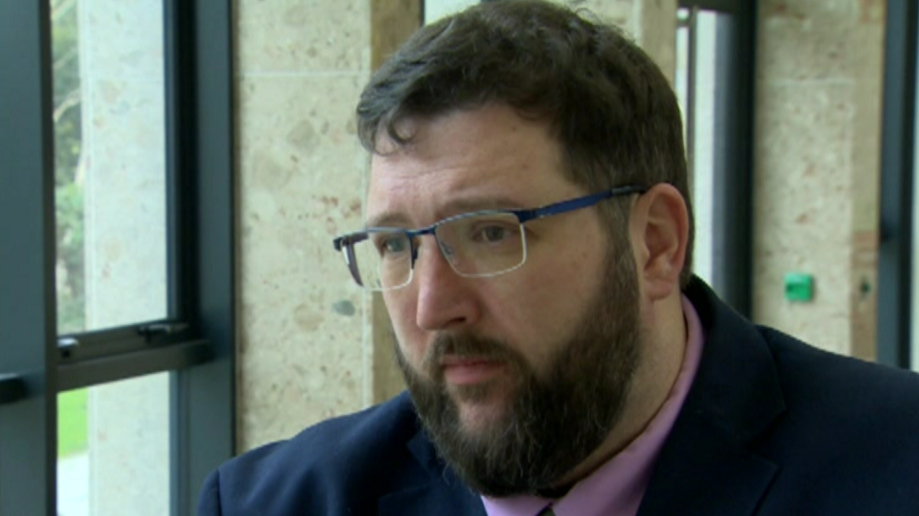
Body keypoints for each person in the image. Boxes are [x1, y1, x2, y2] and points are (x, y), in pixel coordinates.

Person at [197, 1, 919, 514]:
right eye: (395, 245)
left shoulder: (896, 467)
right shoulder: (276, 502)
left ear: (654, 243)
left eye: (488, 232)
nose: (430, 304)